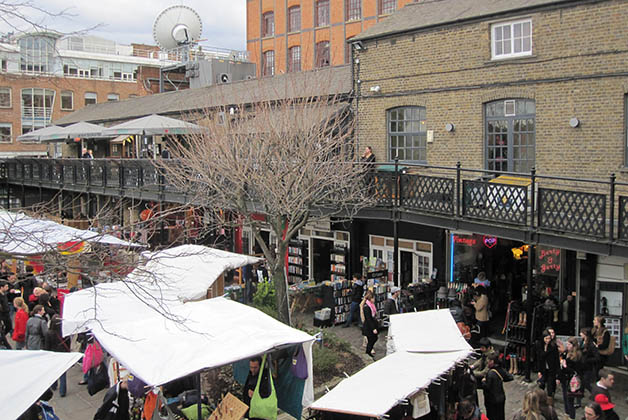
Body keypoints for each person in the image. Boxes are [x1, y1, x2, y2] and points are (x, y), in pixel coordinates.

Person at [45, 315, 71, 397]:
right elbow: (68, 343)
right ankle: (62, 391)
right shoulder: (63, 332)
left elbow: (47, 345)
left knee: (54, 371)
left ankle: (54, 385)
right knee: (63, 373)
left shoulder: (49, 333)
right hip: (62, 353)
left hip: (53, 354)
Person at [559, 337, 584, 419]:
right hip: (564, 379)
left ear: (574, 345)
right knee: (566, 399)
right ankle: (567, 414)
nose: (567, 345)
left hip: (571, 380)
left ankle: (571, 416)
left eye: (569, 344)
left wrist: (565, 366)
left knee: (570, 400)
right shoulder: (567, 352)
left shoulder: (577, 355)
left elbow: (576, 370)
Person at [481, 353, 511, 420]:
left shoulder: (490, 373)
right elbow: (509, 377)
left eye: (488, 361)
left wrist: (483, 382)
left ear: (492, 361)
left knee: (492, 416)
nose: (487, 362)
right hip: (501, 397)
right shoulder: (500, 369)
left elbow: (487, 387)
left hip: (492, 400)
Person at [536, 329, 560, 398]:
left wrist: (558, 375)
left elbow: (556, 360)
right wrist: (539, 371)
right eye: (546, 338)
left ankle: (550, 398)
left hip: (551, 369)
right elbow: (539, 359)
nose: (548, 340)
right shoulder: (539, 345)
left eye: (549, 338)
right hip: (543, 369)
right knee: (541, 385)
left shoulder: (553, 346)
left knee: (550, 386)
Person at [580, 327, 600, 396]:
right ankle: (579, 399)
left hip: (588, 367)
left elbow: (597, 357)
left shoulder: (591, 344)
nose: (580, 334)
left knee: (586, 383)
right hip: (582, 366)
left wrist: (587, 360)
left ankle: (595, 394)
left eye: (581, 333)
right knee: (581, 384)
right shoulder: (582, 342)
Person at [362, 289, 379, 360]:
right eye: (373, 298)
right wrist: (373, 328)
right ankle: (368, 352)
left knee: (374, 338)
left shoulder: (371, 305)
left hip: (372, 325)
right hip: (368, 327)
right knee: (372, 338)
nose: (374, 299)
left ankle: (368, 352)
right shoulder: (367, 307)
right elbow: (368, 319)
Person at [0, 280, 12, 348]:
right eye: (6, 286)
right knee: (2, 328)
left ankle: (2, 337)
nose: (7, 288)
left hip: (7, 313)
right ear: (1, 287)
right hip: (2, 314)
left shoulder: (4, 294)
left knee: (9, 326)